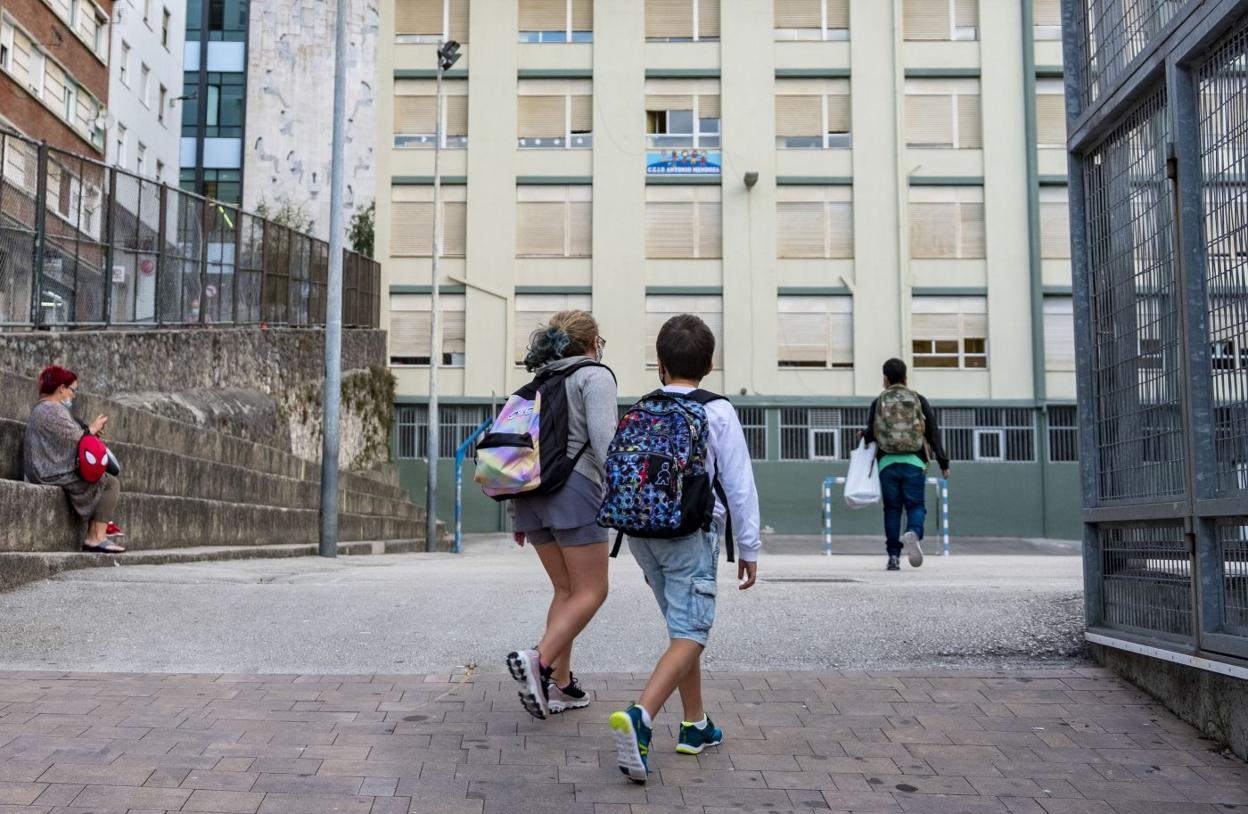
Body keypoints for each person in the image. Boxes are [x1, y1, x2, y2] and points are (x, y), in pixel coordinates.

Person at [607, 314, 760, 784]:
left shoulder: (642, 406)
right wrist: (749, 547)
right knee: (692, 631)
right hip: (690, 534)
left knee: (679, 626)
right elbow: (738, 484)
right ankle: (642, 716)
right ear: (710, 364)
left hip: (640, 535)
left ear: (660, 364)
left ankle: (695, 725)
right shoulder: (717, 411)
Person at [504, 310, 618, 718]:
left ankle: (560, 685)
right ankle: (539, 659)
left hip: (532, 496)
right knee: (593, 591)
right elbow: (606, 444)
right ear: (592, 344)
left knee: (567, 591)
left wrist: (520, 513)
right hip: (575, 493)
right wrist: (622, 498)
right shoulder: (594, 375)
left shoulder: (536, 382)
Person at [23, 366, 125, 554]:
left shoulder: (44, 409)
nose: (74, 395)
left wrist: (89, 432)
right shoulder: (52, 410)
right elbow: (75, 439)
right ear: (61, 388)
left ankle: (97, 534)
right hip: (49, 471)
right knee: (110, 483)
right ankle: (96, 537)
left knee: (103, 478)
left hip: (44, 467)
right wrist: (92, 429)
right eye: (73, 390)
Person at [862, 358, 949, 571]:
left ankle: (893, 557)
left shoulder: (879, 401)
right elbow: (932, 432)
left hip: (887, 464)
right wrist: (943, 462)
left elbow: (871, 432)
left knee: (892, 509)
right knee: (916, 505)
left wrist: (862, 436)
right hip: (914, 461)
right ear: (906, 377)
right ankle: (913, 532)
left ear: (885, 379)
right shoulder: (918, 399)